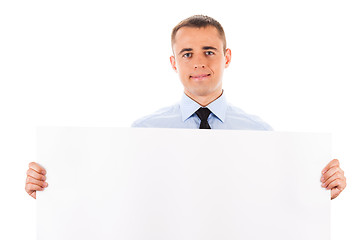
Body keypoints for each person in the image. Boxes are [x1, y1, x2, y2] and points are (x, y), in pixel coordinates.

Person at [25, 15, 346, 200]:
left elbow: (279, 201)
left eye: (209, 51)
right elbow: (114, 196)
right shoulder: (142, 132)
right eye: (187, 54)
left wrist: (322, 192)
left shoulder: (260, 134)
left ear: (227, 57)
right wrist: (52, 187)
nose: (199, 63)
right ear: (173, 61)